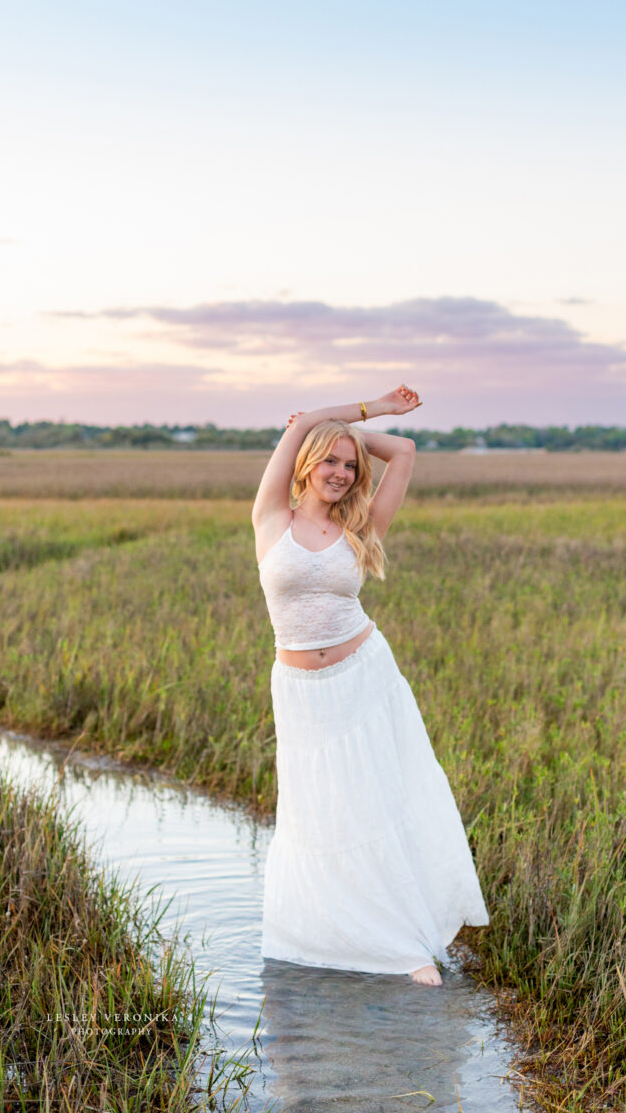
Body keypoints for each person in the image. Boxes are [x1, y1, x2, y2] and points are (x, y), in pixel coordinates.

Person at [253, 385, 489, 986]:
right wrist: (367, 409)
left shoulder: (362, 524)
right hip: (301, 692)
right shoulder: (270, 517)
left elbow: (405, 450)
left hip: (363, 679)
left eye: (351, 465)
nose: (340, 473)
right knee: (315, 814)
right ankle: (323, 933)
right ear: (305, 464)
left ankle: (402, 943)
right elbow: (305, 419)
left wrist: (357, 435)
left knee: (372, 803)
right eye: (329, 460)